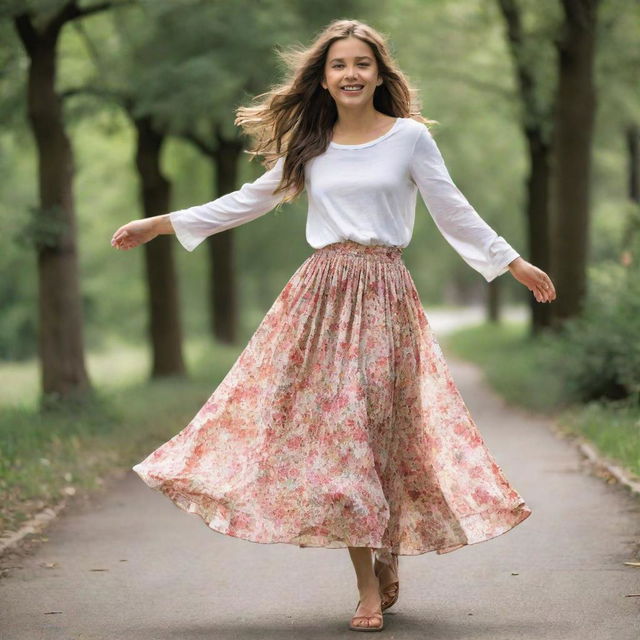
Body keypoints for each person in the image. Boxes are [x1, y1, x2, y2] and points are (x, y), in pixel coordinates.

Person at [111, 18, 555, 633]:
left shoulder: (409, 140)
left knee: (382, 434)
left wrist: (513, 262)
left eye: (362, 64)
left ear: (379, 74)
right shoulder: (309, 143)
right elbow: (248, 199)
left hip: (386, 298)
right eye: (339, 65)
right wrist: (158, 224)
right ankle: (366, 586)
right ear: (323, 78)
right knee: (342, 440)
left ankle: (386, 540)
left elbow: (453, 209)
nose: (351, 74)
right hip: (319, 301)